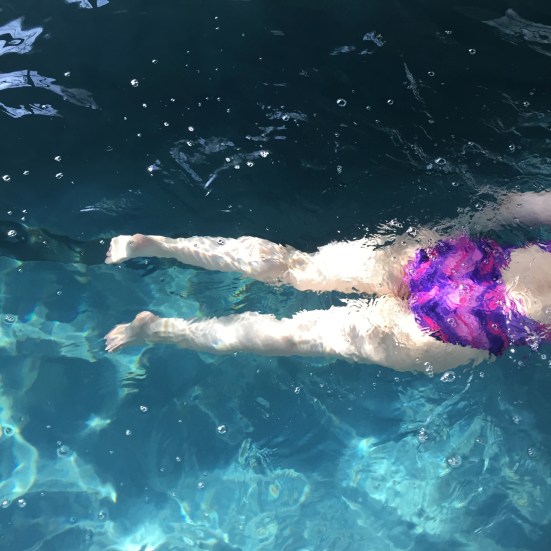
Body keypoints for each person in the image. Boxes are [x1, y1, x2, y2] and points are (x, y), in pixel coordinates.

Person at [104, 191, 551, 372]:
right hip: (466, 325)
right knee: (295, 334)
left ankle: (158, 245)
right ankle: (159, 329)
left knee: (296, 268)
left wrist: (469, 226)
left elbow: (515, 205)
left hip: (457, 264)